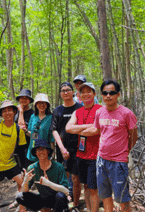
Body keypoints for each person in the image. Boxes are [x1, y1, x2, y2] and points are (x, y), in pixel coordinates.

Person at [94, 80, 137, 212]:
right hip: (101, 160)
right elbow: (99, 131)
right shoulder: (99, 113)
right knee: (105, 196)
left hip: (118, 162)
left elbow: (133, 135)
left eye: (112, 93)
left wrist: (124, 151)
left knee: (122, 199)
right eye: (105, 93)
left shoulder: (127, 113)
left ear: (118, 94)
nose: (108, 96)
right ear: (101, 94)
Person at [66, 82, 102, 212]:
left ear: (94, 94)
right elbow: (68, 128)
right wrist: (88, 126)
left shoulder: (100, 110)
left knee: (93, 188)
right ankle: (88, 208)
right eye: (83, 92)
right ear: (79, 95)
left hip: (96, 155)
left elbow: (97, 130)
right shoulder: (77, 112)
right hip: (81, 155)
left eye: (89, 91)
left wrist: (79, 129)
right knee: (86, 186)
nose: (85, 94)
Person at [16, 139, 70, 212]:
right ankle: (43, 209)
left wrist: (48, 183)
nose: (40, 152)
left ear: (48, 151)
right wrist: (25, 181)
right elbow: (24, 191)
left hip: (57, 200)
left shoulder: (58, 167)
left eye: (43, 149)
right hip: (43, 199)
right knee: (20, 196)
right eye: (38, 150)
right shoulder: (32, 168)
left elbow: (66, 191)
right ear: (35, 153)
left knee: (60, 196)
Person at [51, 82, 83, 205]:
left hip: (78, 148)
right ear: (60, 94)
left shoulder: (80, 108)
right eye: (63, 90)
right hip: (62, 147)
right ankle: (63, 203)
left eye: (68, 90)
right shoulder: (58, 110)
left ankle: (75, 204)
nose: (66, 92)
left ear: (72, 92)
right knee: (64, 176)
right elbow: (54, 130)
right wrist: (62, 148)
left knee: (76, 178)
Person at [26, 93, 55, 164]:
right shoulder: (33, 117)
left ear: (47, 105)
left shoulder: (50, 118)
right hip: (33, 150)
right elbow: (32, 134)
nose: (42, 105)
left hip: (45, 151)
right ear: (36, 104)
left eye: (44, 103)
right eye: (39, 103)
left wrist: (53, 152)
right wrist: (25, 131)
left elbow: (52, 137)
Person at [16, 89, 34, 169]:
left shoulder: (33, 114)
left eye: (26, 98)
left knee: (28, 168)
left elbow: (22, 127)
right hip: (16, 145)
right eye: (22, 98)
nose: (23, 100)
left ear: (29, 100)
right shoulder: (14, 112)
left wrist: (21, 112)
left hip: (28, 145)